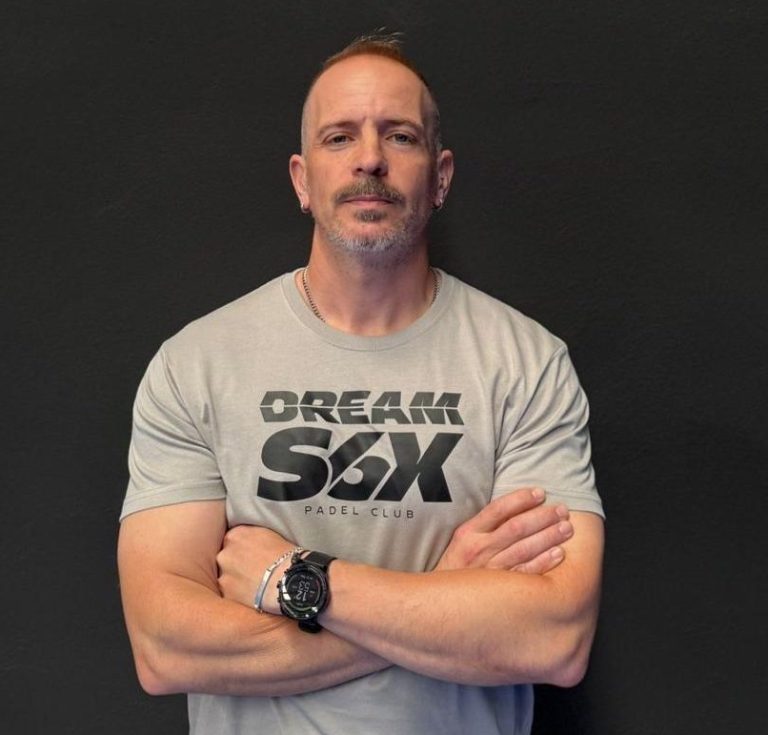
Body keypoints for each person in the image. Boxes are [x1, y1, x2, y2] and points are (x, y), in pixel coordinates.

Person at [118, 33, 604, 735]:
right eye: (340, 136)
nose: (369, 158)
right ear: (302, 179)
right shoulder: (197, 364)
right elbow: (165, 647)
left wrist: (298, 580)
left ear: (440, 178)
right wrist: (443, 597)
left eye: (399, 136)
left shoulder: (526, 363)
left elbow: (553, 637)